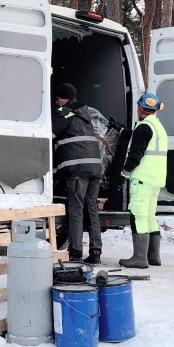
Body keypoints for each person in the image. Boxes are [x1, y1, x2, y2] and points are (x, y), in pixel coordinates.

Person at [52, 82, 104, 263]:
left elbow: (50, 132)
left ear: (65, 98)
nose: (56, 102)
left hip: (78, 169)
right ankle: (96, 252)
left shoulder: (66, 112)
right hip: (95, 167)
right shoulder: (86, 113)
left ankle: (75, 254)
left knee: (76, 211)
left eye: (58, 98)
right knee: (92, 210)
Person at [118, 91, 168, 269]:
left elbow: (136, 154)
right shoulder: (158, 127)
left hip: (142, 178)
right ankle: (153, 256)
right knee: (149, 215)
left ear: (140, 108)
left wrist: (124, 172)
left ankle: (139, 258)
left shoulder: (143, 127)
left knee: (138, 214)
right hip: (156, 179)